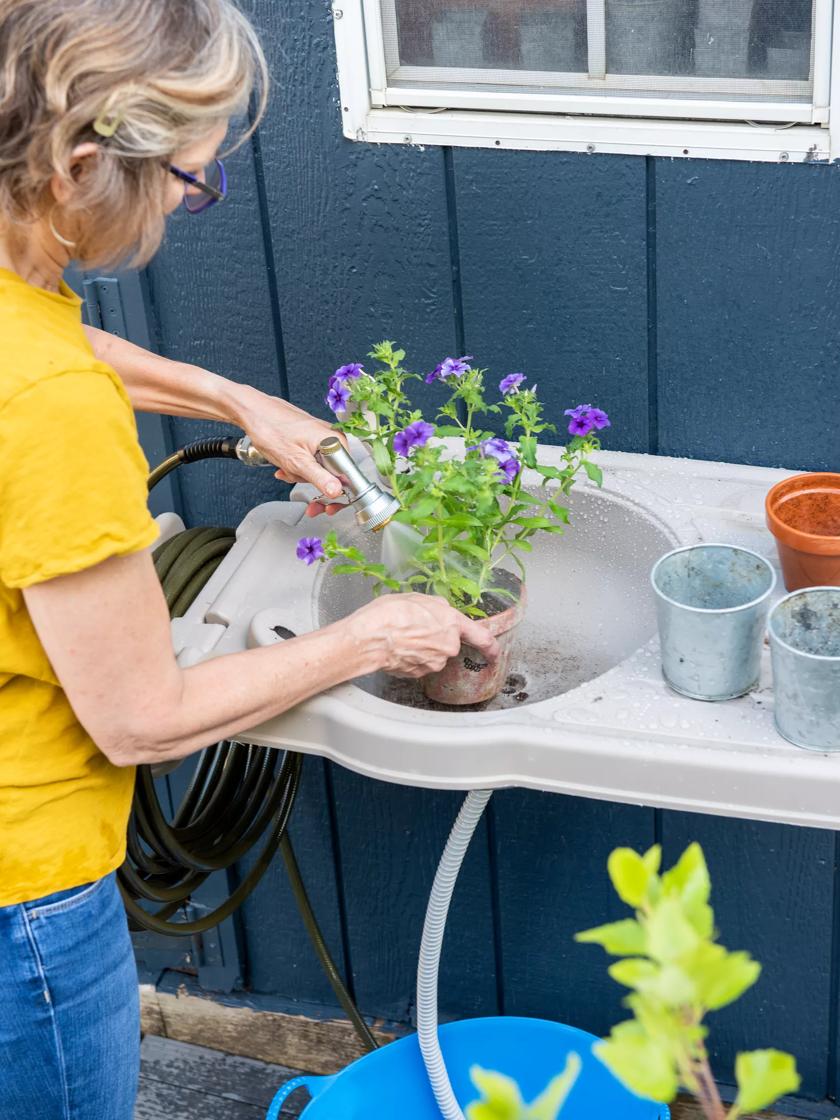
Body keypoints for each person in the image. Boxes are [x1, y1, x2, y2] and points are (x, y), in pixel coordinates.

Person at [0, 2, 498, 1117]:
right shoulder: (51, 416)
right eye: (190, 180)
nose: (191, 204)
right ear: (83, 167)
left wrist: (234, 399)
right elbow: (140, 717)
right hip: (22, 895)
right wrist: (374, 632)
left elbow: (45, 335)